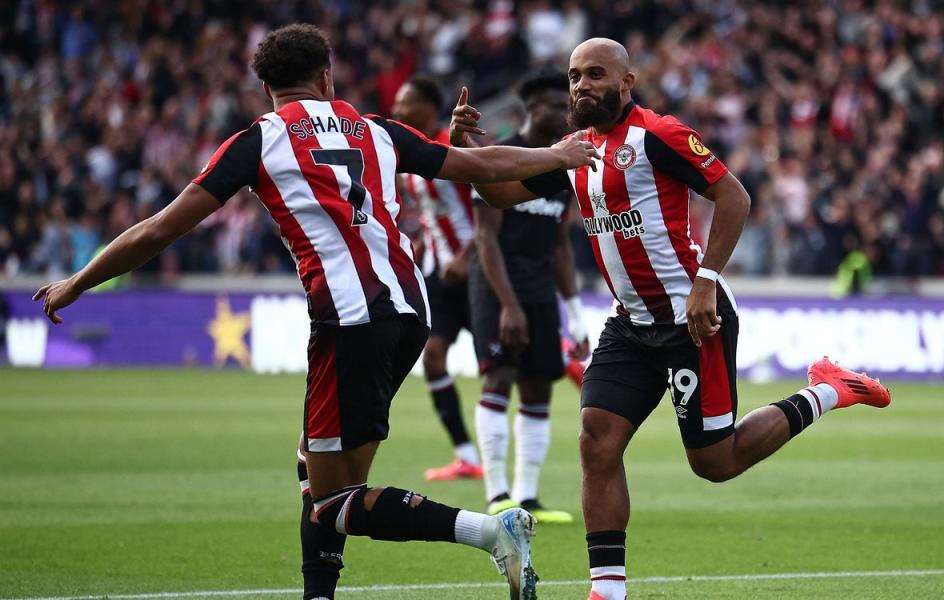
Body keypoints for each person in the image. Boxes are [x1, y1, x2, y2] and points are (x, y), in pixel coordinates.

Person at [33, 24, 601, 600]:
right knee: (324, 470)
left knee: (332, 501)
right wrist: (554, 154)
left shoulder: (259, 141)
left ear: (265, 89)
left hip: (349, 321)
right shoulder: (375, 128)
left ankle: (490, 531)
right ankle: (319, 594)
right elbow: (481, 166)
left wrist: (79, 282)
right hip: (408, 309)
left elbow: (161, 228)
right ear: (326, 77)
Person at [450, 38, 892, 600]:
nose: (581, 85)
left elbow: (733, 197)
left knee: (715, 461)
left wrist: (706, 280)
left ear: (626, 82)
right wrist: (461, 149)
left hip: (692, 318)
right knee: (596, 440)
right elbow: (503, 193)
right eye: (573, 76)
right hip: (630, 323)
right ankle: (607, 591)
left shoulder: (659, 135)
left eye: (594, 74)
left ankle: (828, 390)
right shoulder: (573, 149)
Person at [468, 71, 589, 524]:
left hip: (540, 290)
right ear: (529, 110)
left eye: (567, 105)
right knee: (499, 378)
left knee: (539, 385)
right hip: (497, 287)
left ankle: (528, 498)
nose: (563, 113)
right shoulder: (501, 158)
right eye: (553, 105)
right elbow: (485, 239)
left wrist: (575, 316)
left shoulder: (564, 170)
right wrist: (509, 305)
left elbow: (561, 246)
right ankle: (497, 494)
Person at [391, 75, 483, 481]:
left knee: (501, 368)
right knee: (433, 358)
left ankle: (567, 352)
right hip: (439, 277)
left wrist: (466, 255)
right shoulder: (412, 157)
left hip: (478, 269)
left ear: (428, 108)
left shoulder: (453, 146)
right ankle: (466, 455)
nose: (397, 110)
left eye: (404, 102)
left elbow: (490, 209)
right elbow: (429, 216)